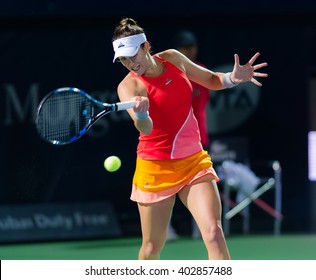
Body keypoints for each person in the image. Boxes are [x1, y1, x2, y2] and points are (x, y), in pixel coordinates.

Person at [112, 18, 268, 260]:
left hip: (193, 162)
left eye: (133, 55)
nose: (130, 63)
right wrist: (142, 113)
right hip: (155, 168)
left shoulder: (173, 58)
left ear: (146, 47)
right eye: (123, 59)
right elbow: (146, 128)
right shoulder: (129, 87)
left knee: (214, 232)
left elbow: (212, 80)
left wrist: (233, 78)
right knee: (152, 248)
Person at [167, 30, 211, 241]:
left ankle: (201, 228)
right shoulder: (171, 74)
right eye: (185, 48)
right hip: (173, 142)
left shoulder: (200, 71)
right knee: (168, 187)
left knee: (201, 187)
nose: (190, 51)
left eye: (192, 46)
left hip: (199, 139)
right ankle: (165, 228)